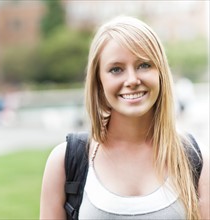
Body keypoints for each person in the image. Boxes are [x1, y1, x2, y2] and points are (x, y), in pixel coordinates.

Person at [40, 16, 209, 219]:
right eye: (116, 69)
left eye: (144, 65)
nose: (132, 80)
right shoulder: (64, 162)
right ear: (98, 81)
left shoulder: (198, 160)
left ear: (161, 73)